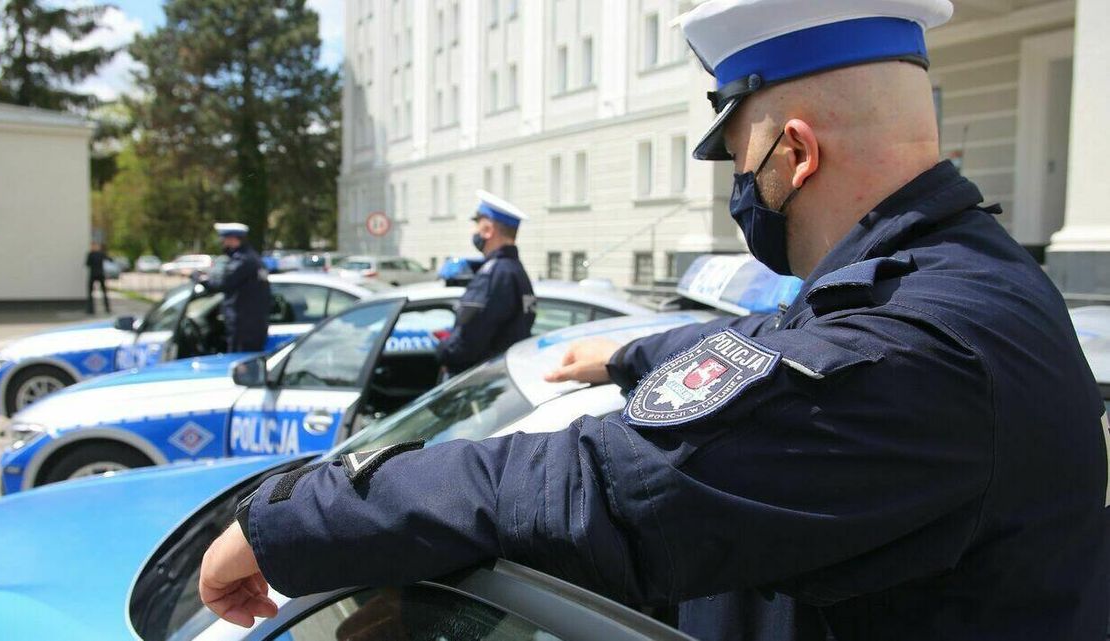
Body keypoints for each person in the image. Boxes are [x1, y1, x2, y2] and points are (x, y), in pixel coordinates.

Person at [199, 2, 1110, 640]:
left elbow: (597, 488)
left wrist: (298, 517)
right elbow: (781, 347)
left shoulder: (923, 351)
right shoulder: (948, 272)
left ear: (795, 151)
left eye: (740, 155)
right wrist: (626, 351)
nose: (738, 186)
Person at [435, 190, 536, 376]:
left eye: (476, 224)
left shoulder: (493, 274)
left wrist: (443, 350)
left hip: (478, 379)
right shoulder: (515, 270)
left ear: (488, 229)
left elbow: (468, 340)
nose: (474, 231)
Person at [200, 223, 270, 353]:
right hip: (251, 325)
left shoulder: (243, 260)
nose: (222, 243)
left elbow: (223, 283)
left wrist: (200, 279)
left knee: (241, 366)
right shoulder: (252, 258)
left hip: (243, 327)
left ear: (232, 239)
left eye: (224, 239)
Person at [84, 242, 111, 315]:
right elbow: (109, 259)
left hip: (93, 274)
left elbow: (87, 264)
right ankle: (107, 308)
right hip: (100, 274)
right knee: (104, 292)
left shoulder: (91, 254)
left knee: (90, 293)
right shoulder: (101, 254)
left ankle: (91, 310)